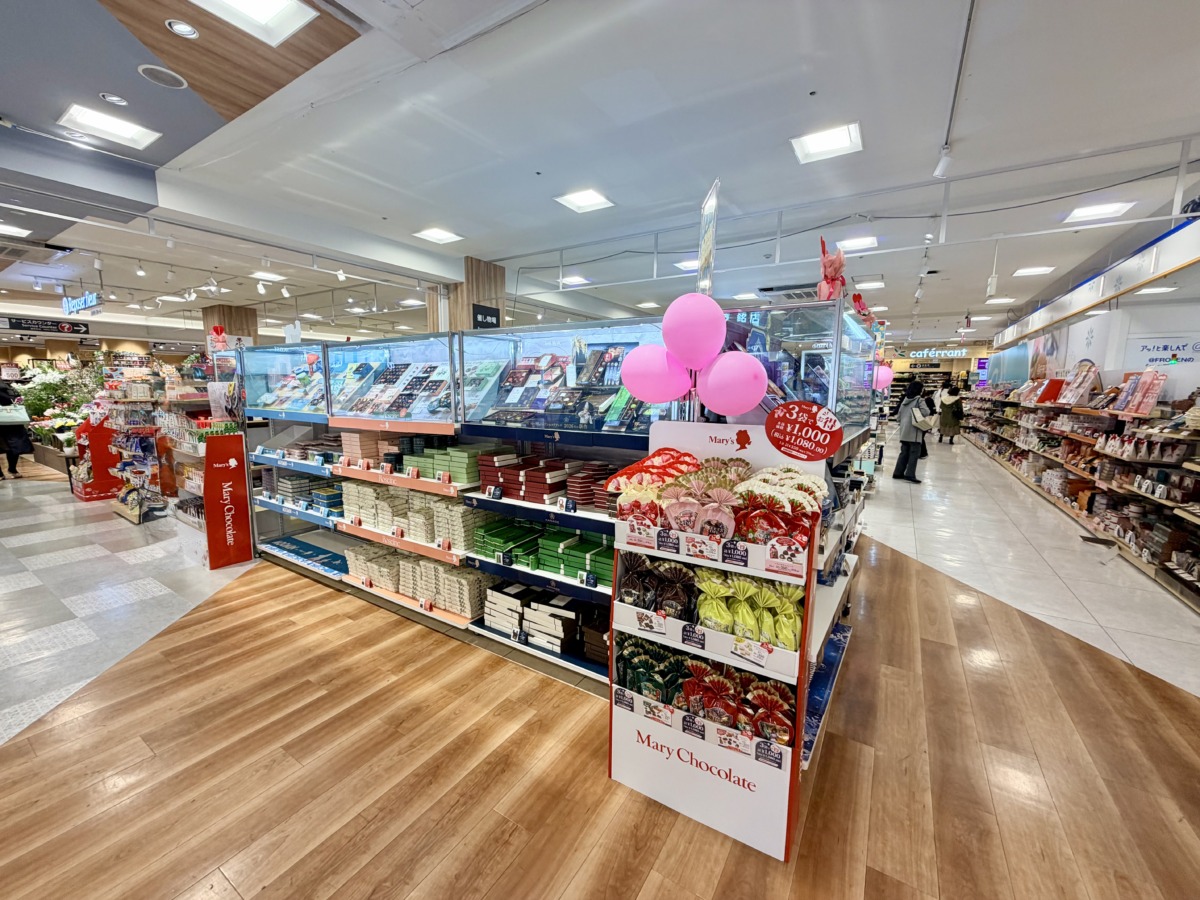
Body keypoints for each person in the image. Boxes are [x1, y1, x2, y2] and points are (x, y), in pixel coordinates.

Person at [893, 381, 926, 483]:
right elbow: (926, 412)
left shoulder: (905, 400)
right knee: (914, 453)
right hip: (914, 430)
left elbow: (898, 416)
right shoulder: (919, 400)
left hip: (904, 430)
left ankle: (898, 472)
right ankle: (910, 474)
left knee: (904, 452)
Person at [0, 383, 32, 479]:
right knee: (15, 445)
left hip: (11, 419)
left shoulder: (6, 385)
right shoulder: (7, 386)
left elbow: (15, 398)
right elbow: (15, 398)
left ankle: (10, 469)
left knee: (15, 445)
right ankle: (10, 469)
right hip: (12, 419)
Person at [919, 388, 937, 459]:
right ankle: (923, 453)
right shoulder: (925, 400)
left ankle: (923, 453)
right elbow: (932, 408)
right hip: (926, 419)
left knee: (920, 437)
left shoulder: (921, 400)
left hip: (922, 420)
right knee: (920, 437)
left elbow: (926, 412)